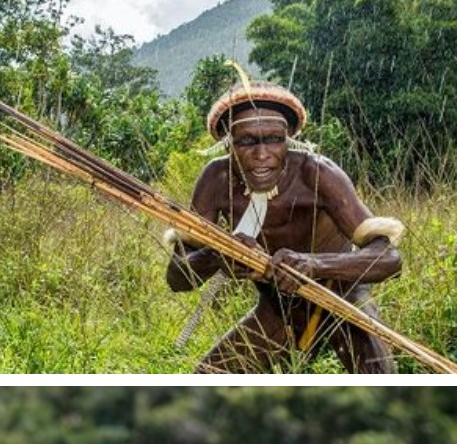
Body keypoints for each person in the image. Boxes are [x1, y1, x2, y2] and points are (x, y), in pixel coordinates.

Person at [166, 81, 403, 373]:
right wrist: (218, 255)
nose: (262, 154)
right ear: (228, 143)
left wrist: (313, 265)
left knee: (378, 375)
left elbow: (390, 258)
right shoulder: (217, 179)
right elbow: (177, 278)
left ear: (289, 138)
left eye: (274, 139)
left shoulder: (317, 173)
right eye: (247, 141)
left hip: (342, 297)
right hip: (277, 307)